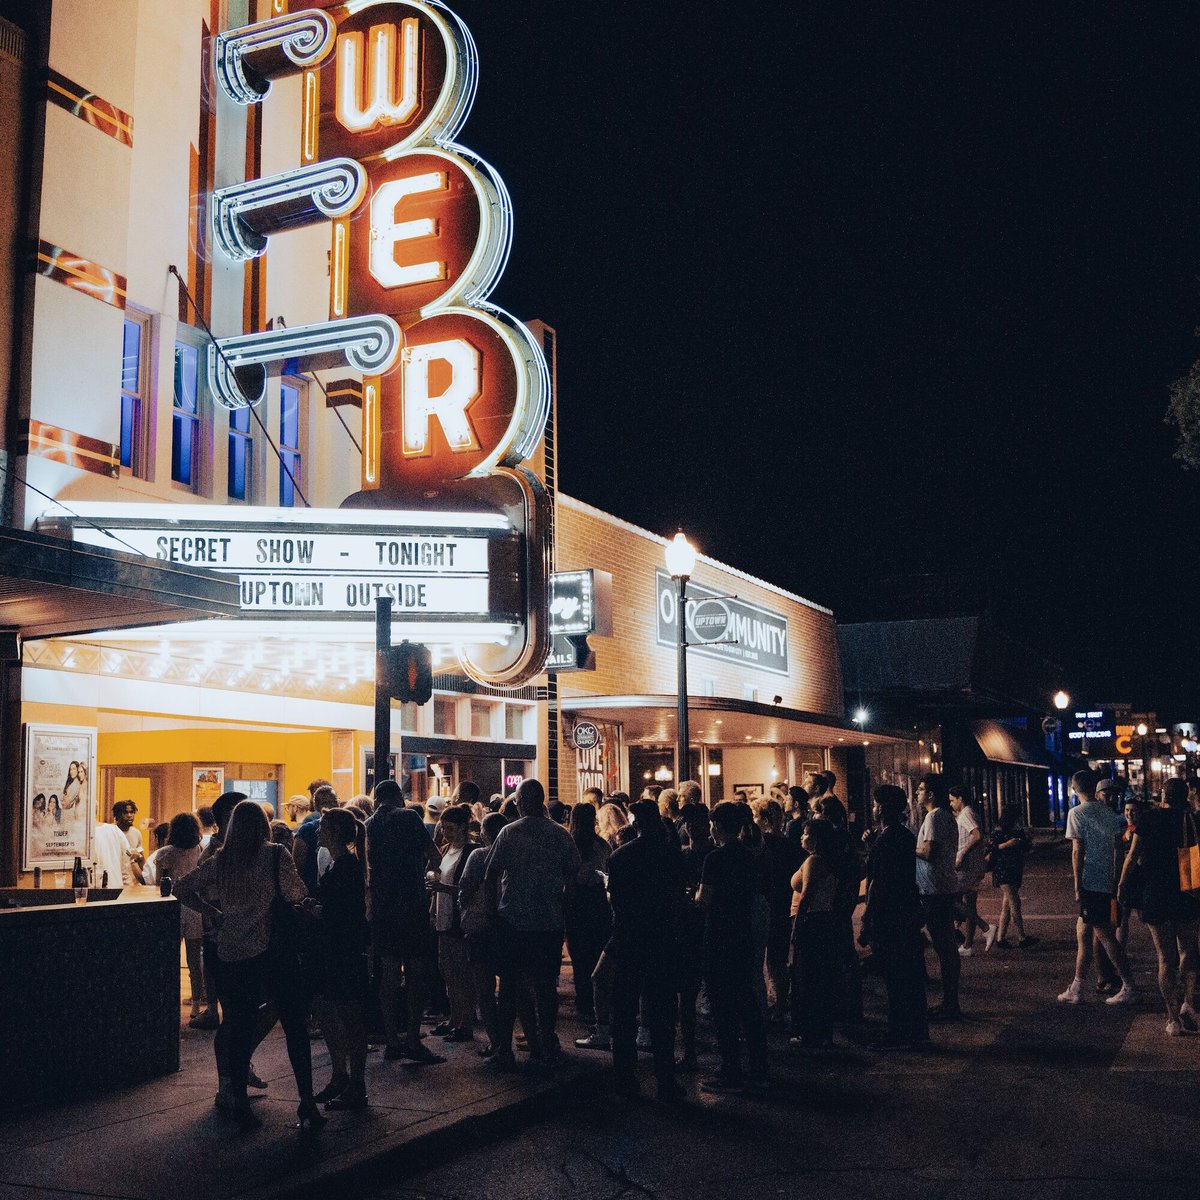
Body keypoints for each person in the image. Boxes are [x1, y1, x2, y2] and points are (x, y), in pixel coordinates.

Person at [175, 800, 321, 1132]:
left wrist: (212, 911)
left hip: (231, 952)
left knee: (239, 1029)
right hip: (271, 952)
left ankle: (238, 1100)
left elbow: (182, 888)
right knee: (294, 1027)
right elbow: (296, 892)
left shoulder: (221, 859)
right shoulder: (274, 856)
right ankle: (307, 1102)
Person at [485, 779, 581, 1069]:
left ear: (519, 802)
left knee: (510, 988)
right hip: (548, 922)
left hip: (513, 921)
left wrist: (492, 915)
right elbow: (573, 878)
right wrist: (564, 909)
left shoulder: (508, 832)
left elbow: (491, 875)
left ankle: (504, 1050)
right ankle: (547, 1041)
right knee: (545, 987)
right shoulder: (561, 835)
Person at [606, 800, 683, 1102]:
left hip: (629, 937)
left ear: (636, 824)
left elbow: (614, 899)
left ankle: (625, 1077)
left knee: (624, 1010)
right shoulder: (671, 855)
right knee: (662, 1011)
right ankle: (666, 1080)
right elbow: (677, 899)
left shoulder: (620, 856)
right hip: (661, 938)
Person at [366, 779, 445, 1065]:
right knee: (416, 973)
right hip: (411, 905)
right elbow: (435, 857)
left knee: (388, 975)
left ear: (377, 800)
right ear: (399, 797)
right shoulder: (410, 817)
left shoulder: (368, 825)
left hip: (383, 909)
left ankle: (391, 1039)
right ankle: (412, 1038)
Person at [696, 801, 769, 1094]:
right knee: (747, 1003)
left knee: (723, 1008)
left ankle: (731, 1071)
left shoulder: (715, 859)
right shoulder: (750, 855)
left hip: (719, 936)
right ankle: (758, 1067)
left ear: (717, 826)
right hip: (743, 935)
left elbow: (704, 900)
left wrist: (694, 898)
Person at [1118, 777, 1200, 1034]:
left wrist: (1121, 885)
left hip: (1155, 894)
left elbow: (1132, 856)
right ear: (1185, 796)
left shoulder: (1148, 819)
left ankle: (1172, 1018)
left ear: (1163, 796)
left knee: (1165, 958)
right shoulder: (1193, 820)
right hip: (1187, 893)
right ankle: (1188, 1002)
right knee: (1189, 950)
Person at [1058, 770, 1137, 1006]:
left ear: (1074, 789)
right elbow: (1117, 849)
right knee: (1082, 932)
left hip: (1090, 882)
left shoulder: (1076, 813)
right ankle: (1077, 985)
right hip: (1106, 881)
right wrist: (1116, 881)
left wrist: (1076, 885)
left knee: (1105, 936)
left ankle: (1129, 985)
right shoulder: (1110, 814)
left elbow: (1077, 851)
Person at [311, 808, 371, 1111]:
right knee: (336, 1013)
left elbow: (340, 914)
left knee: (348, 1018)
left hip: (341, 951)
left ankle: (353, 1082)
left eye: (323, 826)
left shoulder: (345, 867)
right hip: (340, 951)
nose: (318, 831)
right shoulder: (345, 865)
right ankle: (343, 1077)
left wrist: (314, 910)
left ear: (334, 832)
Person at [861, 785, 929, 1049]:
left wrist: (868, 918)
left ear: (886, 808)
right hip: (905, 912)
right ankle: (915, 1032)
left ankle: (900, 1033)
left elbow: (880, 882)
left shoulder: (889, 839)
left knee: (896, 977)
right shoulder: (900, 835)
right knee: (907, 976)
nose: (874, 808)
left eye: (877, 804)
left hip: (892, 916)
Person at [154, 812, 210, 1027]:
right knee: (194, 961)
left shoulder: (164, 853)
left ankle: (168, 1003)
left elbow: (159, 882)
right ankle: (196, 1006)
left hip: (172, 908)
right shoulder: (199, 851)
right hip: (194, 908)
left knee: (170, 960)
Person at [459, 811, 508, 1056]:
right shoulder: (513, 854)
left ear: (484, 833)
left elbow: (465, 888)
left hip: (480, 927)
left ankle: (496, 1042)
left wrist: (463, 906)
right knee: (513, 987)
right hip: (508, 925)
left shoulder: (479, 855)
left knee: (485, 990)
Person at [915, 774, 963, 1020]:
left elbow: (930, 851)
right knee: (946, 946)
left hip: (934, 889)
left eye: (921, 789)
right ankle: (950, 1000)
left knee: (944, 946)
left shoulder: (934, 817)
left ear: (931, 794)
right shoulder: (947, 817)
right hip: (942, 887)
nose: (917, 793)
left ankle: (950, 1003)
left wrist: (911, 848)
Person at [790, 818, 840, 1049]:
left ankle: (810, 1032)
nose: (802, 837)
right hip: (821, 921)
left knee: (807, 978)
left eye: (806, 834)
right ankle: (820, 1032)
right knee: (818, 978)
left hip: (812, 921)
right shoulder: (825, 860)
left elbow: (806, 895)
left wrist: (798, 925)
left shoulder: (813, 861)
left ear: (816, 839)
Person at [429, 803, 477, 1042]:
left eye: (449, 828)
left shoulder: (471, 852)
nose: (445, 833)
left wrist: (442, 888)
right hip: (443, 916)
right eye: (443, 828)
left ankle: (464, 1021)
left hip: (459, 919)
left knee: (461, 973)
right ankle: (454, 1018)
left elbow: (471, 889)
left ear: (462, 827)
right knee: (447, 970)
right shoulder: (446, 849)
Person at [754, 798, 801, 1024]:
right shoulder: (791, 845)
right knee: (778, 959)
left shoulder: (763, 845)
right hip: (784, 904)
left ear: (763, 819)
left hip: (768, 903)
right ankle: (781, 1005)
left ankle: (771, 1007)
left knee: (762, 962)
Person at [564, 802, 611, 1022]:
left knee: (579, 954)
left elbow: (567, 879)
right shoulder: (602, 845)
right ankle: (597, 999)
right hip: (598, 901)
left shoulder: (570, 845)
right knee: (596, 951)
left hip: (577, 902)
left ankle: (584, 1000)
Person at [950, 786, 996, 955]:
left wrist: (961, 854)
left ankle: (986, 927)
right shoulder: (966, 814)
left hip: (967, 866)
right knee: (969, 904)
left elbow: (976, 835)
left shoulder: (967, 813)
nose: (951, 804)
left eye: (952, 800)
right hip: (973, 866)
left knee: (951, 900)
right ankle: (968, 945)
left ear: (960, 798)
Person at [988, 804, 1037, 949]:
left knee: (1007, 905)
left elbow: (1027, 848)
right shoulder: (998, 832)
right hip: (1003, 870)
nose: (1019, 821)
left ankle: (1000, 938)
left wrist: (1028, 839)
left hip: (1015, 870)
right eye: (1017, 818)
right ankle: (1022, 937)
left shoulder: (1018, 832)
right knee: (1015, 903)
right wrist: (1007, 844)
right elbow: (992, 849)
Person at [293, 784, 339, 894]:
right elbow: (298, 866)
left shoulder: (348, 827)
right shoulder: (306, 831)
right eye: (325, 802)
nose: (331, 806)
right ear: (317, 807)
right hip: (314, 891)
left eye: (334, 801)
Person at [93, 801, 139, 889]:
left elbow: (126, 864)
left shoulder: (80, 834)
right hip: (116, 888)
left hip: (92, 891)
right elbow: (126, 865)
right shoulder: (114, 830)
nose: (129, 815)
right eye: (125, 812)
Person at [140, 822, 171, 888]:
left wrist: (133, 863)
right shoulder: (184, 852)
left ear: (156, 838)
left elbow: (147, 880)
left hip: (159, 892)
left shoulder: (158, 854)